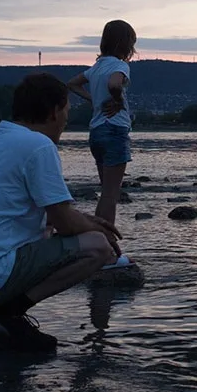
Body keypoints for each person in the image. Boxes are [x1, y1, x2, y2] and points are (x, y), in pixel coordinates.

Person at [0, 73, 122, 352]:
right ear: (55, 111)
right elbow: (65, 223)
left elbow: (51, 217)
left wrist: (86, 220)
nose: (66, 120)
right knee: (97, 247)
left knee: (47, 230)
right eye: (66, 111)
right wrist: (95, 228)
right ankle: (8, 314)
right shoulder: (38, 146)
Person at [67, 20, 137, 233]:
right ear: (126, 44)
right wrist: (116, 100)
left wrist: (93, 100)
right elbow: (115, 84)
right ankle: (106, 242)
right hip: (115, 130)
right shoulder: (119, 65)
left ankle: (98, 239)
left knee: (105, 192)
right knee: (110, 195)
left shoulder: (96, 67)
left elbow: (71, 83)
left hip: (96, 132)